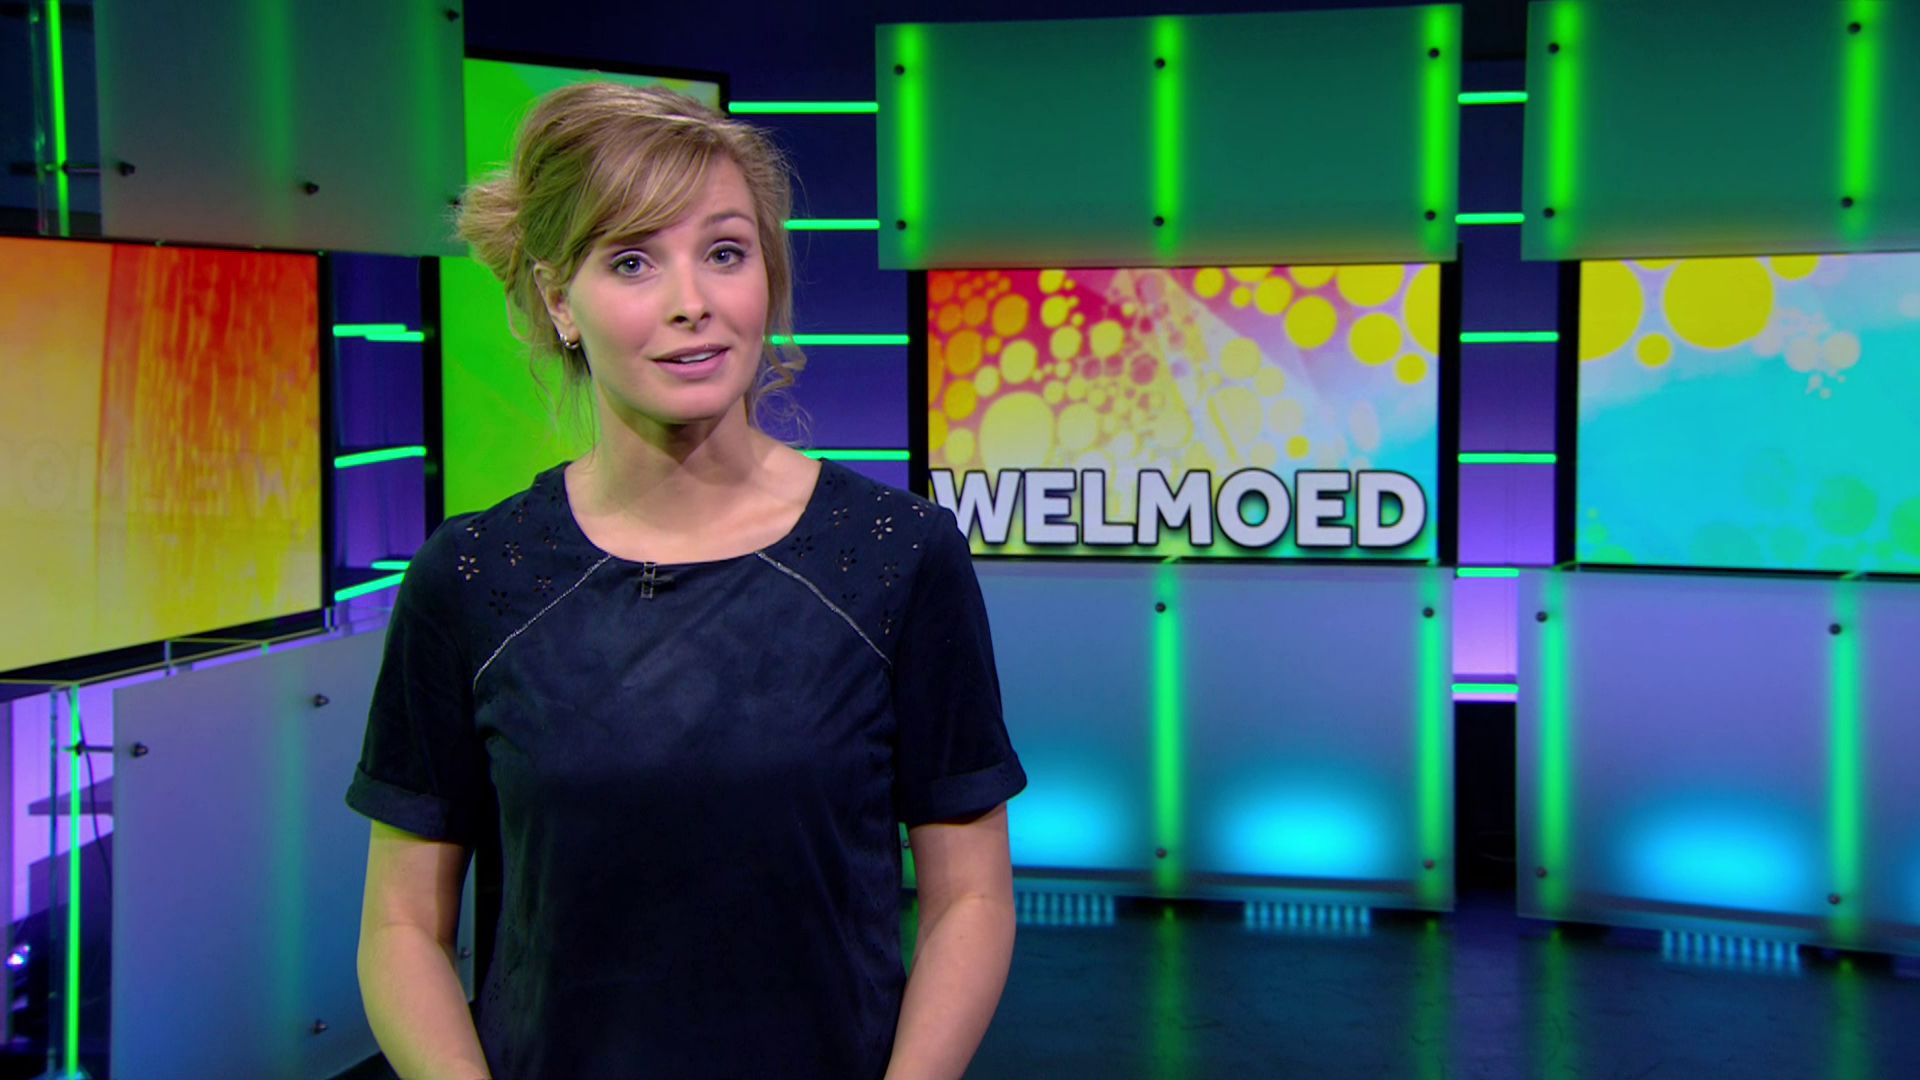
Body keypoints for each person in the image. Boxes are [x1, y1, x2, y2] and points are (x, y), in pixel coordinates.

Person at [346, 82, 1026, 1080]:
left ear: (768, 277)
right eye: (632, 260)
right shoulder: (474, 576)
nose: (691, 301)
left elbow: (971, 896)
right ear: (557, 300)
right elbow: (402, 924)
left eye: (725, 252)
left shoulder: (897, 554)